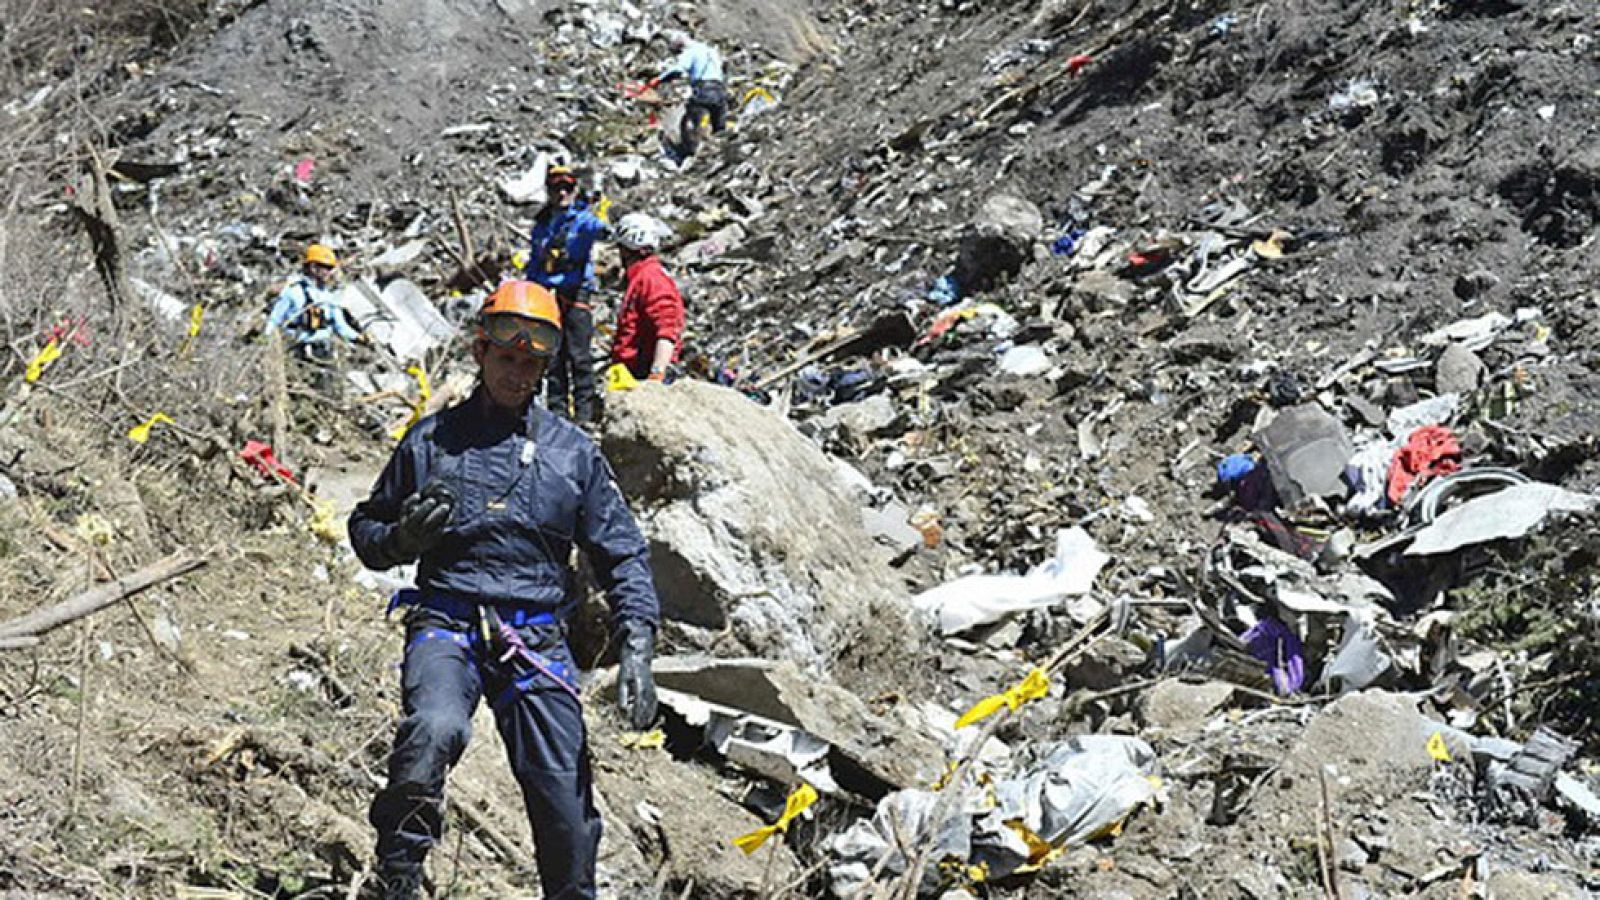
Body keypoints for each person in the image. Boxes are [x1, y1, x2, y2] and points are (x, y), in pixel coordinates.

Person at [348, 280, 661, 900]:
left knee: (562, 795)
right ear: (480, 352)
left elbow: (621, 550)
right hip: (446, 621)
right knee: (434, 729)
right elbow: (366, 528)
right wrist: (403, 538)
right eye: (506, 357)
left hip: (535, 635)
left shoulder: (572, 454)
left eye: (531, 362)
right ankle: (399, 879)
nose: (517, 372)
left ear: (546, 366)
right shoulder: (430, 441)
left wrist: (639, 641)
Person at [527, 165, 609, 423]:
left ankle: (584, 416)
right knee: (552, 358)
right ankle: (558, 415)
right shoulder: (541, 225)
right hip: (547, 296)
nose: (562, 193)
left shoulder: (582, 220)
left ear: (575, 190)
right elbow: (534, 262)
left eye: (567, 187)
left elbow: (602, 230)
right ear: (548, 191)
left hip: (575, 296)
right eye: (556, 188)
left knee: (579, 357)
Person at [610, 214, 684, 382]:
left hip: (642, 371)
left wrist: (657, 372)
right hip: (631, 371)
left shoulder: (650, 278)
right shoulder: (641, 277)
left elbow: (667, 326)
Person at [267, 243, 365, 360]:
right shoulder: (293, 291)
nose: (329, 272)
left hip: (324, 350)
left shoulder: (329, 296)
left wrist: (359, 338)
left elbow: (340, 326)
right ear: (313, 267)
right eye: (326, 267)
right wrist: (265, 343)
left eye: (330, 268)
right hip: (296, 352)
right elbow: (274, 320)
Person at [650, 30, 727, 160]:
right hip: (720, 91)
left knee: (690, 122)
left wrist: (658, 79)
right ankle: (719, 153)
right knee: (719, 127)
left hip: (703, 90)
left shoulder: (690, 52)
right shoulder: (711, 51)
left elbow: (678, 69)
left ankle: (689, 154)